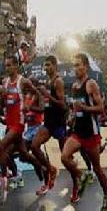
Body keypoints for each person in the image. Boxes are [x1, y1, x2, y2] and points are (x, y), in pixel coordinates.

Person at [61, 53, 107, 210]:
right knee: (64, 157)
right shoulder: (75, 86)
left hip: (91, 132)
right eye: (73, 65)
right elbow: (76, 108)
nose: (75, 68)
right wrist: (72, 116)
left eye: (78, 65)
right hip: (78, 131)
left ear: (86, 66)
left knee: (97, 169)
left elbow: (101, 108)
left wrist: (84, 108)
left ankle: (106, 195)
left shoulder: (91, 84)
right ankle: (81, 175)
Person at [0, 56, 43, 190]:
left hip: (18, 124)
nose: (7, 68)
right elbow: (4, 103)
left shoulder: (22, 81)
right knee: (23, 154)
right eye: (5, 66)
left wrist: (29, 105)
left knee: (1, 146)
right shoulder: (5, 83)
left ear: (16, 66)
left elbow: (38, 95)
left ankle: (4, 179)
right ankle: (38, 165)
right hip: (9, 123)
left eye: (9, 65)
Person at [31, 55, 66, 195]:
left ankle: (77, 180)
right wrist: (42, 95)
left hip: (59, 123)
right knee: (34, 146)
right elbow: (47, 104)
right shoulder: (47, 81)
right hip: (48, 123)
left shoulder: (58, 81)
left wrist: (48, 95)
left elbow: (62, 104)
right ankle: (51, 169)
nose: (45, 68)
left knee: (66, 158)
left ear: (55, 65)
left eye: (48, 65)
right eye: (44, 66)